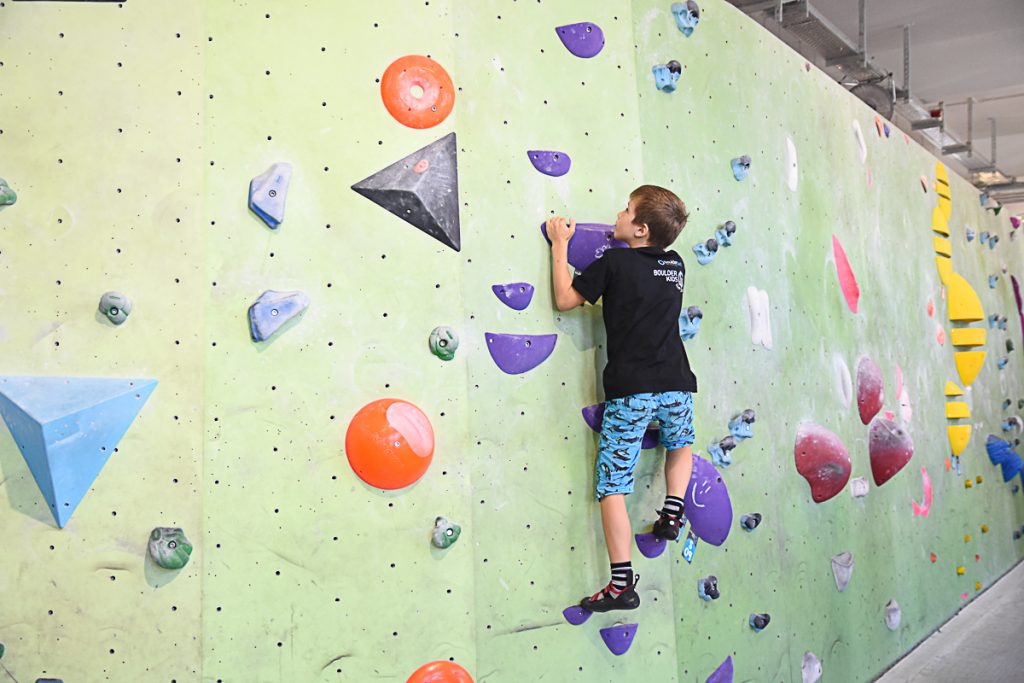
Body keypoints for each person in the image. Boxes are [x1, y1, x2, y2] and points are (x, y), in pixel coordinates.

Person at [547, 184, 697, 613]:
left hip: (632, 392)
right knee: (680, 445)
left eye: (626, 210)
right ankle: (672, 510)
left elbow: (565, 299)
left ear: (641, 228)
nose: (618, 213)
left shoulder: (613, 263)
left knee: (613, 487)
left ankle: (620, 586)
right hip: (677, 384)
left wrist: (562, 245)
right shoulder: (676, 265)